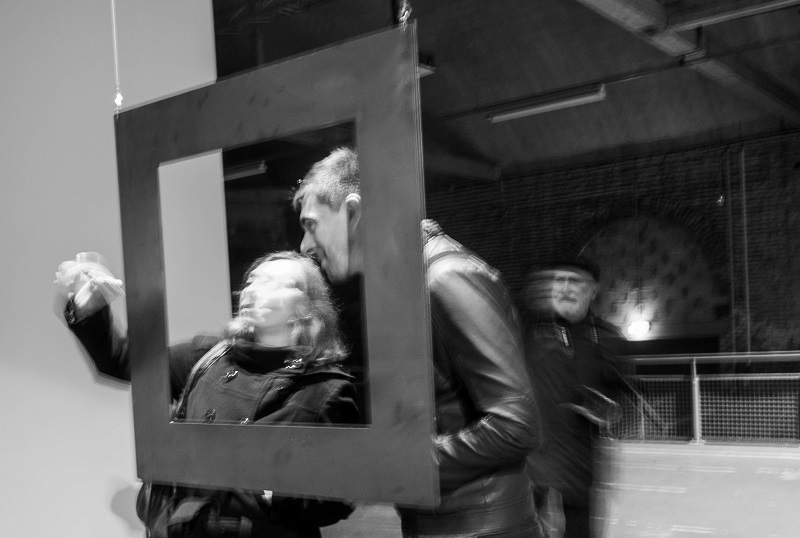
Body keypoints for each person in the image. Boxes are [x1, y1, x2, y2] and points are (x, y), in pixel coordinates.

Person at [292, 147, 543, 537]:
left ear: (354, 212)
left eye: (312, 225)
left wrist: (403, 465)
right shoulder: (408, 283)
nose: (305, 245)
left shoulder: (446, 276)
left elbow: (517, 425)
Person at [55, 250, 357, 538]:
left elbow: (339, 493)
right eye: (252, 280)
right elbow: (122, 362)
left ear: (306, 308)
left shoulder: (323, 388)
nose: (253, 290)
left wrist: (270, 494)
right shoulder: (209, 356)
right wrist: (90, 305)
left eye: (272, 283)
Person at [522, 258, 628, 538]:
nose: (566, 288)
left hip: (579, 464)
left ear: (593, 290)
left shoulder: (607, 338)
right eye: (559, 280)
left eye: (576, 281)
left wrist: (610, 411)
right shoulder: (525, 332)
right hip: (531, 462)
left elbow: (623, 396)